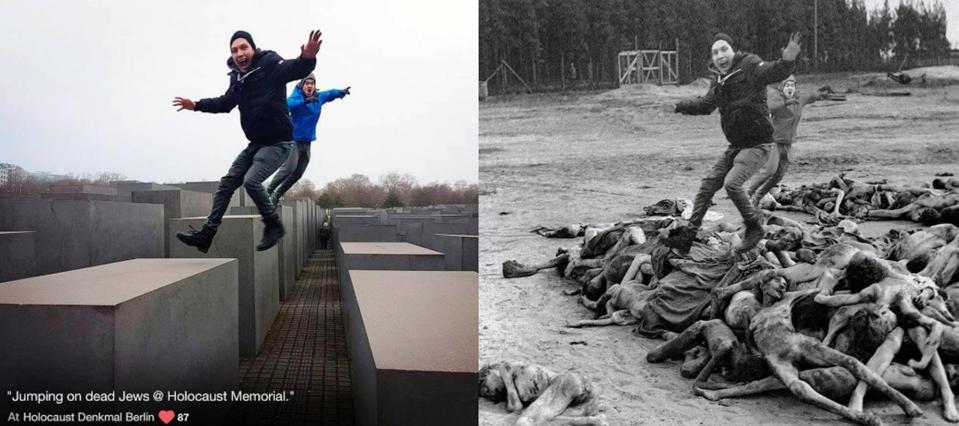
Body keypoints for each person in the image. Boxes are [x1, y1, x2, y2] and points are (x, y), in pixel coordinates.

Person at [171, 30, 322, 253]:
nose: (239, 53)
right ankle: (207, 234)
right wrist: (196, 104)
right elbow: (225, 103)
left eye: (243, 48)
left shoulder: (270, 66)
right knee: (227, 184)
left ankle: (273, 226)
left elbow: (296, 69)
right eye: (234, 50)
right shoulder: (237, 80)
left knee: (252, 181)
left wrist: (308, 57)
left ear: (252, 49)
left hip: (279, 142)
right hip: (255, 144)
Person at [675, 32, 801, 252]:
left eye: (724, 49)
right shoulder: (719, 80)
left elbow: (773, 71)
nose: (720, 55)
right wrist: (682, 105)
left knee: (732, 184)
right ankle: (688, 236)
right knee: (706, 188)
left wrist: (788, 60)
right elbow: (706, 105)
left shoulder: (750, 65)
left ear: (733, 51)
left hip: (758, 144)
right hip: (735, 146)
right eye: (715, 52)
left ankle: (754, 228)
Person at [266, 75, 350, 205]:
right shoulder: (297, 97)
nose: (309, 86)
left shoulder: (318, 98)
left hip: (307, 142)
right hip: (293, 140)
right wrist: (304, 102)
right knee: (289, 168)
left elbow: (329, 93)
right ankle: (268, 192)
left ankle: (277, 195)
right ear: (302, 85)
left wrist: (341, 92)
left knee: (298, 173)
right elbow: (287, 105)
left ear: (314, 86)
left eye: (312, 83)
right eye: (307, 83)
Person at [746, 75, 825, 206]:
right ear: (782, 88)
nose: (790, 88)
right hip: (774, 143)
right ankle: (747, 194)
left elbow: (810, 96)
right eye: (787, 86)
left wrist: (821, 94)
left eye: (792, 86)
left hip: (788, 145)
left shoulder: (799, 100)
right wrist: (785, 103)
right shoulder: (776, 100)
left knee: (778, 175)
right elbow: (770, 107)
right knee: (769, 171)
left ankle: (757, 197)